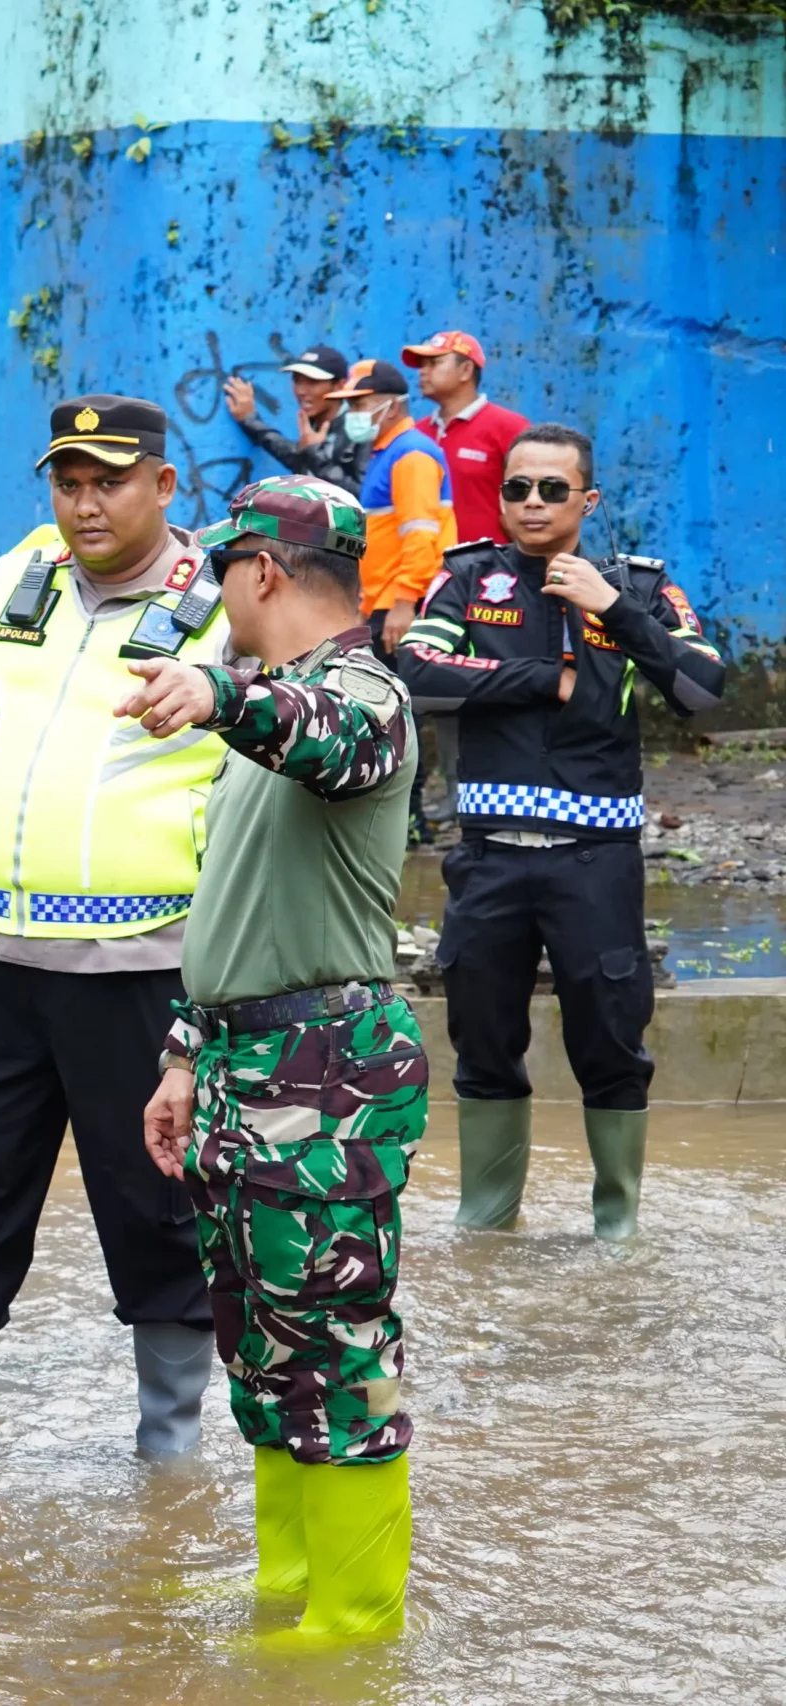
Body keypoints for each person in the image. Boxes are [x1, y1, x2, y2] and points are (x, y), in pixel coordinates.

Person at [0, 396, 221, 1460]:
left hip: (143, 966)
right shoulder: (13, 586)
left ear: (162, 485)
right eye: (67, 481)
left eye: (109, 480)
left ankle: (170, 1447)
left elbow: (266, 791)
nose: (84, 502)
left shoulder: (217, 613)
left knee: (155, 1203)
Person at [126, 475, 427, 1645]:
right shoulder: (262, 722)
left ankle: (354, 1626)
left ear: (261, 571)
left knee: (338, 1349)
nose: (211, 599)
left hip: (326, 1071)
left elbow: (330, 739)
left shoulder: (361, 694)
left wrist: (213, 691)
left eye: (221, 573)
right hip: (243, 1062)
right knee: (258, 1345)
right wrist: (180, 1053)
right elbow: (235, 908)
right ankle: (284, 1589)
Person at [392, 424, 725, 1239]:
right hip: (490, 857)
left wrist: (610, 611)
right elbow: (418, 672)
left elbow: (704, 690)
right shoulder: (470, 578)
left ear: (588, 499)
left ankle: (617, 1232)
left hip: (596, 863)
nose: (533, 503)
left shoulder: (637, 587)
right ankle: (487, 1227)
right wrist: (547, 677)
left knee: (612, 1040)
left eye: (552, 489)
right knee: (483, 1041)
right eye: (518, 488)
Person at [324, 359, 455, 652]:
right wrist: (366, 607)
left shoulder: (412, 455)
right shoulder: (386, 452)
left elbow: (420, 534)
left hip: (403, 605)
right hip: (382, 601)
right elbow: (381, 539)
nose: (352, 415)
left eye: (359, 405)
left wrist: (404, 603)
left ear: (392, 408)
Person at [403, 330, 529, 547]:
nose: (423, 372)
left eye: (434, 363)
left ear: (466, 370)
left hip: (492, 568)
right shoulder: (416, 433)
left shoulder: (509, 427)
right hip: (427, 568)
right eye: (422, 365)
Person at [223, 343, 369, 493]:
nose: (300, 390)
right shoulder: (313, 425)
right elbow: (295, 457)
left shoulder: (360, 430)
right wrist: (250, 420)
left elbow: (363, 496)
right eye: (297, 380)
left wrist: (315, 453)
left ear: (339, 385)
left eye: (313, 382)